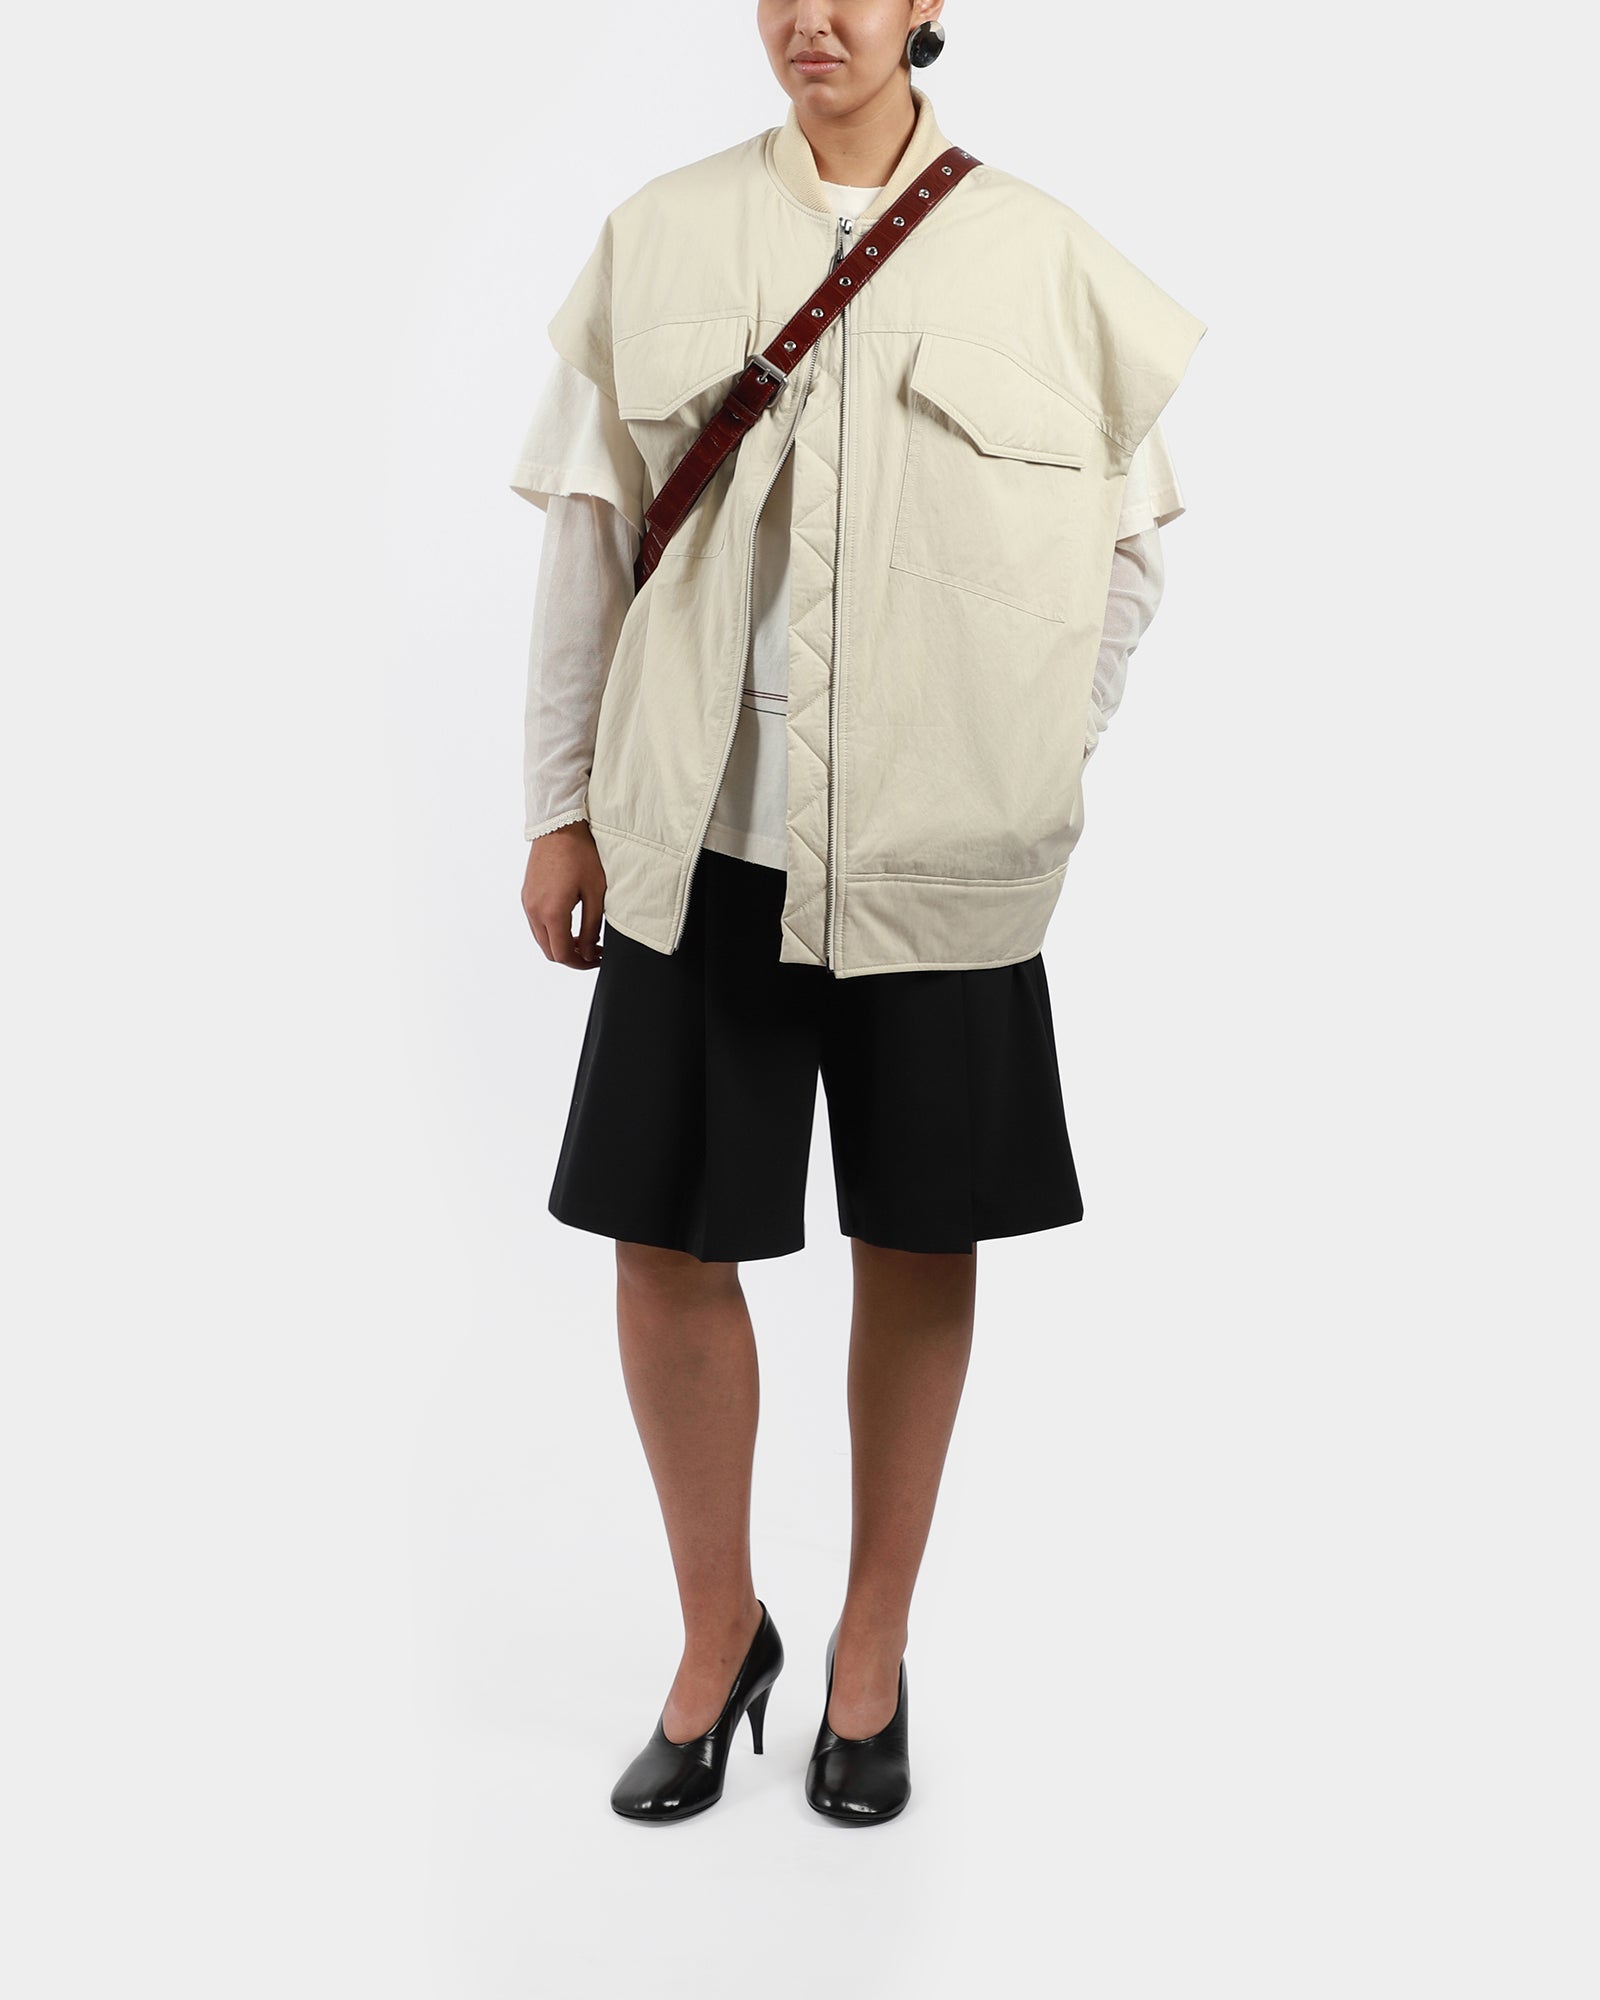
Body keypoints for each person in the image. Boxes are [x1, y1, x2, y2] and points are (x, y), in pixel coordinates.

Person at [511, 2, 1204, 1826]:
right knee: (663, 1243)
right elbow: (586, 531)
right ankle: (715, 1633)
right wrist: (561, 805)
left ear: (928, 6)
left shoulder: (1044, 258)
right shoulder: (661, 235)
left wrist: (1024, 750)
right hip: (701, 844)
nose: (811, 16)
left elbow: (1129, 550)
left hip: (934, 862)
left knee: (919, 1235)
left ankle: (870, 1653)